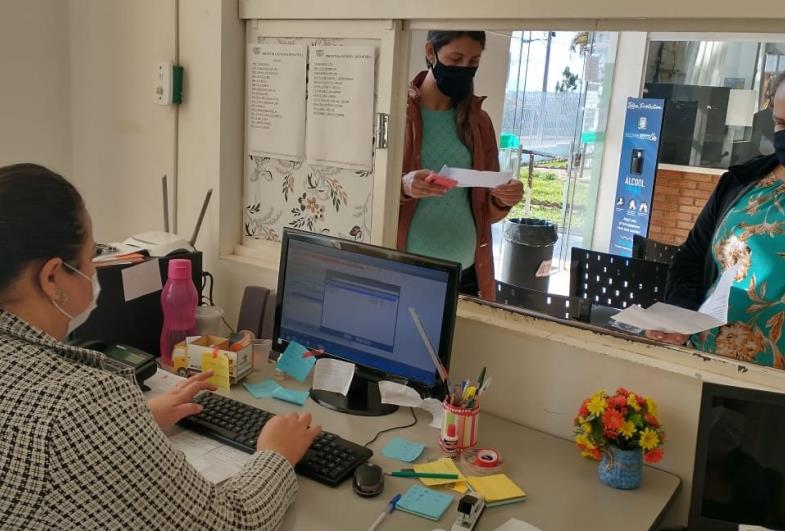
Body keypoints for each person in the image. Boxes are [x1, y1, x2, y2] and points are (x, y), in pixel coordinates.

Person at [0, 164, 321, 528]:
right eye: (91, 258)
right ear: (52, 277)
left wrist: (130, 422)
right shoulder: (78, 406)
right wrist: (276, 454)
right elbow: (230, 523)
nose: (94, 271)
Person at [652, 73, 785, 368]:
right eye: (781, 123)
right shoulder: (741, 181)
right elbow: (692, 255)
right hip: (707, 360)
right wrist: (679, 315)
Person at [398, 31, 523, 300]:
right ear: (430, 52)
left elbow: (487, 212)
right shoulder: (398, 113)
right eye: (455, 58)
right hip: (406, 272)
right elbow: (365, 186)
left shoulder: (479, 122)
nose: (464, 69)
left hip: (467, 274)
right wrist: (403, 185)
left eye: (473, 61)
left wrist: (503, 199)